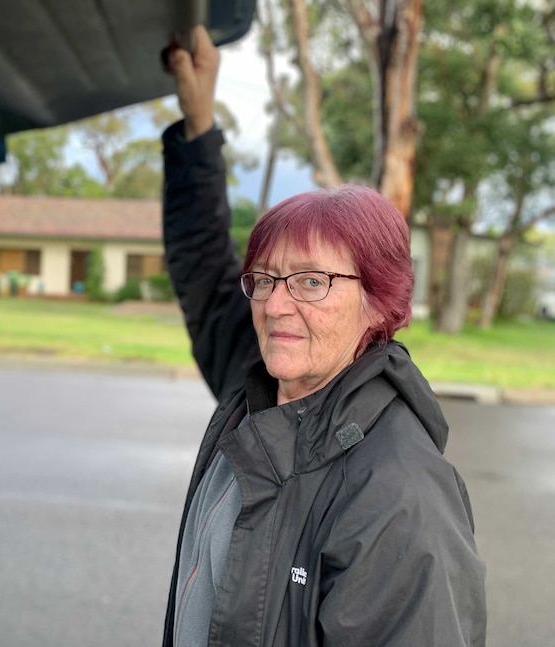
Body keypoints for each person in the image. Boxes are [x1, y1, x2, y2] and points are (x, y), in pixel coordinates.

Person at [159, 26, 487, 647]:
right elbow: (203, 264)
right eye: (266, 278)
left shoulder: (400, 497)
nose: (277, 304)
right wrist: (199, 122)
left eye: (312, 281)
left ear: (377, 302)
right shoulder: (261, 389)